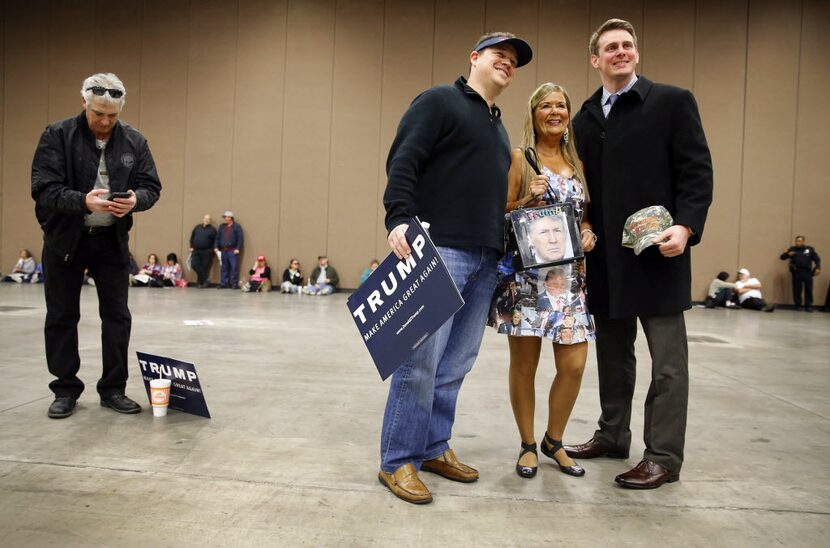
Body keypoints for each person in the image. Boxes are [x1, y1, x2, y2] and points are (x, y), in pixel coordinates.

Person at [379, 31, 532, 504]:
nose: (507, 63)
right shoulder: (440, 100)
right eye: (498, 55)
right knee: (419, 362)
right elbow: (404, 159)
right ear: (474, 58)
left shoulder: (497, 124)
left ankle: (432, 447)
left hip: (487, 256)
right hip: (440, 248)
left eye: (513, 61)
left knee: (456, 364)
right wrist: (399, 216)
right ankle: (397, 460)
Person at [565, 19, 713, 490]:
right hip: (607, 262)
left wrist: (686, 227)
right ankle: (613, 434)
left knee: (668, 363)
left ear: (637, 53)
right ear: (596, 59)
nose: (621, 51)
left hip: (658, 256)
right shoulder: (585, 117)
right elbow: (583, 189)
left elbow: (696, 171)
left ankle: (664, 457)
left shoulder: (671, 102)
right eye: (611, 47)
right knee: (613, 355)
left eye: (628, 44)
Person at [31, 72, 161, 419]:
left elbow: (151, 185)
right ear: (84, 103)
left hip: (111, 241)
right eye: (98, 113)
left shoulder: (135, 140)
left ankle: (113, 389)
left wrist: (136, 200)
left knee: (117, 317)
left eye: (112, 115)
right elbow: (43, 188)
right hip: (64, 240)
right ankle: (65, 389)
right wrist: (82, 202)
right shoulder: (57, 135)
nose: (104, 122)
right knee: (62, 316)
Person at [489, 82, 596, 481]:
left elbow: (584, 215)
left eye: (561, 105)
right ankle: (528, 444)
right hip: (527, 280)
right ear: (533, 114)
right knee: (525, 365)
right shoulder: (522, 158)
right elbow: (500, 210)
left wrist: (589, 232)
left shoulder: (578, 163)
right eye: (546, 105)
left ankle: (555, 439)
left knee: (575, 364)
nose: (555, 111)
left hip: (570, 279)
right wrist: (526, 201)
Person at [780, 236, 821, 311]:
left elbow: (817, 259)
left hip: (807, 272)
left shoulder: (809, 249)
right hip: (796, 272)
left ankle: (808, 306)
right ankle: (798, 305)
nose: (798, 242)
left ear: (803, 241)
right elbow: (782, 257)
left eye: (800, 241)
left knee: (808, 289)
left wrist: (818, 267)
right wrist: (788, 254)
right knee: (797, 289)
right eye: (797, 241)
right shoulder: (792, 249)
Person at [214, 210, 243, 289]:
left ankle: (234, 284)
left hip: (232, 251)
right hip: (223, 250)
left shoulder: (237, 227)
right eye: (224, 217)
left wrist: (238, 248)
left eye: (226, 217)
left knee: (234, 267)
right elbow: (217, 237)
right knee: (224, 268)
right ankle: (224, 283)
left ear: (230, 218)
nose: (225, 218)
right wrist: (216, 246)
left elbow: (240, 239)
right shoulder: (222, 226)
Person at [190, 214, 217, 288]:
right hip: (196, 250)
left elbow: (215, 241)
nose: (206, 220)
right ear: (203, 219)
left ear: (210, 221)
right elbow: (192, 237)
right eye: (205, 218)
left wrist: (213, 250)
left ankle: (200, 283)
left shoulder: (212, 230)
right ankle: (206, 279)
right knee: (194, 264)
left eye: (208, 219)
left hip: (207, 251)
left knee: (204, 267)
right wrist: (191, 246)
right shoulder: (197, 227)